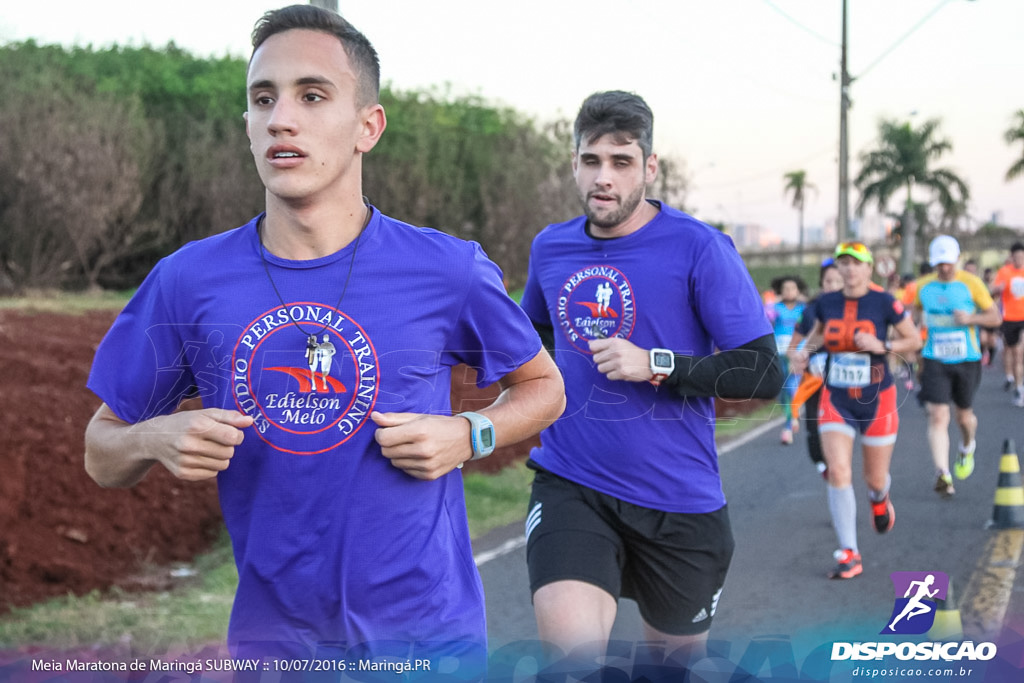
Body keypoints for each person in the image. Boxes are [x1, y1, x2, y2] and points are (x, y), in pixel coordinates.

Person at [83, 4, 565, 668]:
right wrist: (151, 437)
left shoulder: (446, 269)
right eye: (262, 98)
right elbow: (100, 451)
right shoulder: (188, 281)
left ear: (368, 125)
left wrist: (468, 433)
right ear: (248, 126)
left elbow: (545, 386)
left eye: (313, 95)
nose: (282, 117)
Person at [519, 91, 783, 670]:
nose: (603, 178)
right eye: (591, 161)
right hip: (573, 483)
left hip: (679, 503)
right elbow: (528, 340)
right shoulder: (551, 248)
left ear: (650, 167)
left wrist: (658, 364)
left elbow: (765, 372)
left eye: (622, 161)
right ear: (573, 164)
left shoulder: (700, 248)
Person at [789, 242, 921, 580]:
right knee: (838, 471)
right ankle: (850, 551)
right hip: (837, 397)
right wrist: (800, 354)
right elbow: (811, 336)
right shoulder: (825, 303)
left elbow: (914, 340)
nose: (848, 270)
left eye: (856, 264)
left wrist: (884, 345)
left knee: (873, 478)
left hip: (878, 398)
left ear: (869, 269)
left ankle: (880, 499)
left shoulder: (884, 302)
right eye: (843, 263)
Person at [915, 235, 1001, 497]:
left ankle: (967, 447)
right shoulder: (923, 287)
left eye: (948, 263)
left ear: (957, 259)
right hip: (934, 358)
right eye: (939, 263)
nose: (944, 268)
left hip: (967, 359)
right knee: (938, 415)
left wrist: (971, 317)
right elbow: (911, 311)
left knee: (964, 417)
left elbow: (995, 316)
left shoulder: (971, 284)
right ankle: (943, 473)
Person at [791, 259, 844, 478]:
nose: (832, 286)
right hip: (815, 377)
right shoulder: (812, 310)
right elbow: (793, 346)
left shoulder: (857, 307)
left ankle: (839, 465)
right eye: (828, 281)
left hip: (845, 379)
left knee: (840, 426)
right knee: (813, 426)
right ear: (822, 283)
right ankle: (823, 465)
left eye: (838, 281)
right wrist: (796, 358)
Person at [766, 275, 807, 445]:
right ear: (780, 291)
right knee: (780, 390)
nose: (789, 291)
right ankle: (791, 414)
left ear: (798, 290)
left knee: (792, 388)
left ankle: (788, 426)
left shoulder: (804, 309)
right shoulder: (774, 308)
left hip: (795, 354)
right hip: (778, 353)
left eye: (792, 288)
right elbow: (765, 321)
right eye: (786, 288)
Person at [991, 242, 1024, 405]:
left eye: (1021, 257)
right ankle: (1017, 384)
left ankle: (1020, 386)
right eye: (1016, 257)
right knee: (1012, 352)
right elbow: (992, 290)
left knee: (1019, 352)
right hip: (1009, 318)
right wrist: (998, 288)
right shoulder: (1004, 272)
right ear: (1012, 257)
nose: (1019, 260)